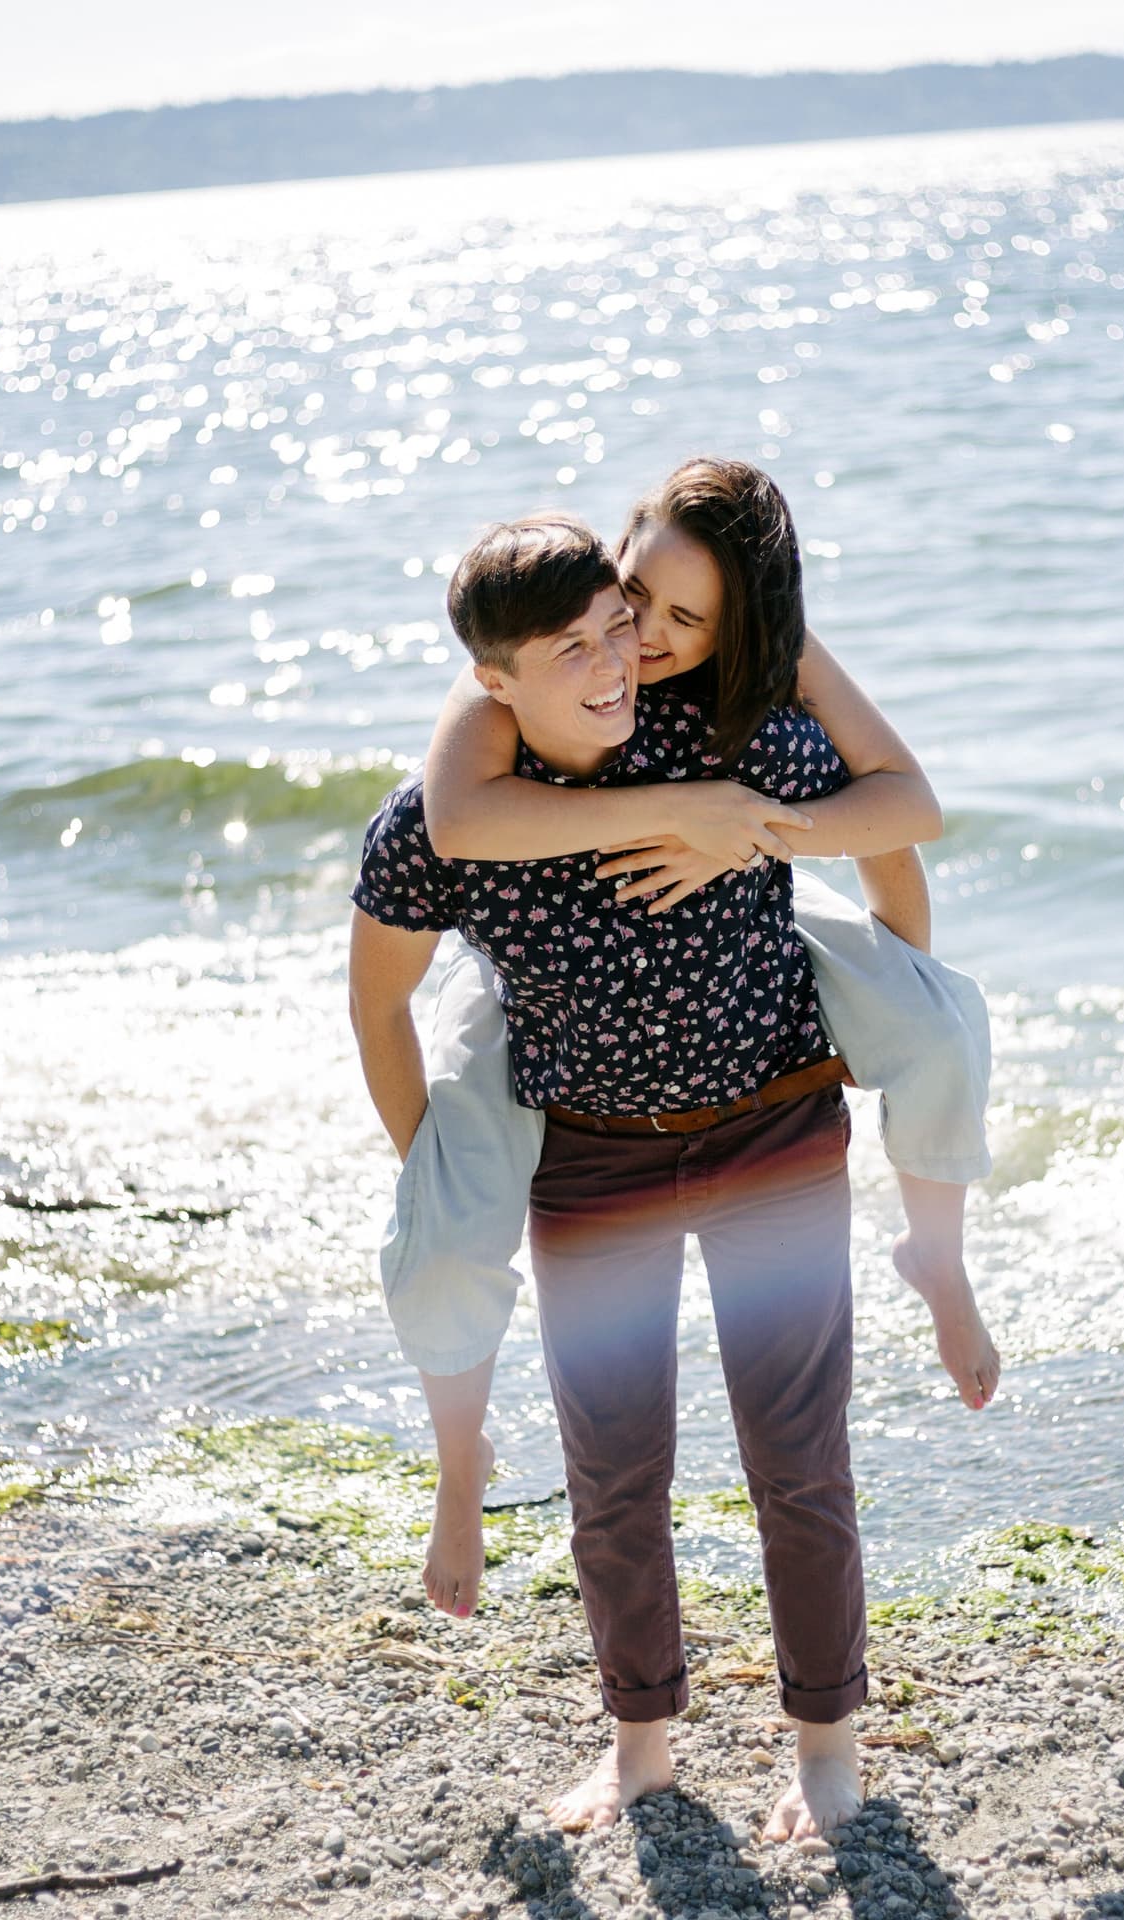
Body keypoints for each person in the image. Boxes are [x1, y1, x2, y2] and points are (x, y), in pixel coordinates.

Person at [391, 461, 998, 1635]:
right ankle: (460, 1469)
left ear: (741, 624)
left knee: (939, 1022)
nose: (650, 639)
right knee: (444, 1228)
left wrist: (761, 844)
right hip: (538, 972)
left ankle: (938, 1257)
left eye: (687, 621)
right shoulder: (542, 671)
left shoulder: (780, 667)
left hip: (751, 897)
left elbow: (906, 806)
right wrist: (678, 815)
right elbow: (458, 818)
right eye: (638, 601)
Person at [351, 511, 881, 1836]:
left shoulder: (724, 728)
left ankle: (828, 1751)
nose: (608, 665)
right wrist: (437, 1170)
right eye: (567, 650)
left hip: (776, 1127)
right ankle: (639, 1744)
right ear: (493, 682)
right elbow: (378, 1007)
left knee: (798, 1456)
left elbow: (895, 824)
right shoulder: (439, 820)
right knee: (614, 1469)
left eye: (613, 632)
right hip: (591, 1159)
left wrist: (907, 1024)